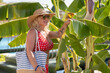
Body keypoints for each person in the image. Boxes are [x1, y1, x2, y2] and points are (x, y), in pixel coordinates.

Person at [23, 8, 70, 73]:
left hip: (44, 67)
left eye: (48, 17)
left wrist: (65, 24)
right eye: (44, 17)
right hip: (35, 68)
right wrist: (36, 67)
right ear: (37, 19)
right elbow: (29, 50)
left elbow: (58, 34)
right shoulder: (33, 32)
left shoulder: (46, 32)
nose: (46, 19)